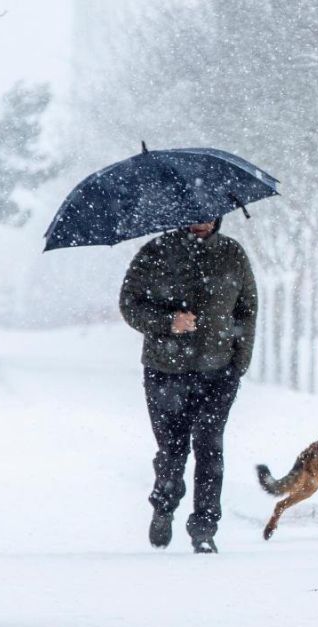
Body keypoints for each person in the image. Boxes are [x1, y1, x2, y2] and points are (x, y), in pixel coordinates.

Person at [119, 216, 257, 554]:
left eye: (208, 214)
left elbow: (247, 311)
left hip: (218, 371)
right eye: (194, 214)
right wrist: (168, 323)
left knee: (210, 448)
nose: (202, 221)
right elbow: (129, 304)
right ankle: (164, 505)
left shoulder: (232, 253)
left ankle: (204, 529)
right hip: (165, 369)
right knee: (172, 450)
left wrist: (239, 363)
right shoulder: (156, 252)